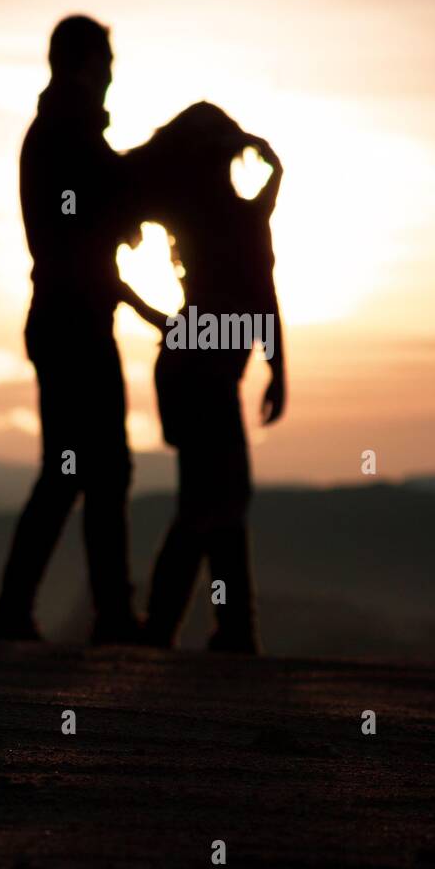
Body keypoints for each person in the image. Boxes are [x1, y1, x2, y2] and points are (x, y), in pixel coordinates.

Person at [0, 15, 148, 644]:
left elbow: (91, 223)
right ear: (84, 64)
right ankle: (103, 616)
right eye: (105, 62)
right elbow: (90, 228)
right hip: (74, 324)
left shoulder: (57, 131)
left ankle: (18, 611)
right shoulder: (70, 133)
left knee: (73, 469)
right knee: (95, 469)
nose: (111, 75)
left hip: (62, 319)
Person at [126, 103, 287, 653]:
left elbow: (259, 297)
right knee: (214, 501)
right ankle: (202, 628)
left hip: (190, 369)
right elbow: (264, 298)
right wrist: (277, 368)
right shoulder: (235, 217)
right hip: (205, 376)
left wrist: (144, 309)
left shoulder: (191, 214)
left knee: (215, 501)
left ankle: (218, 628)